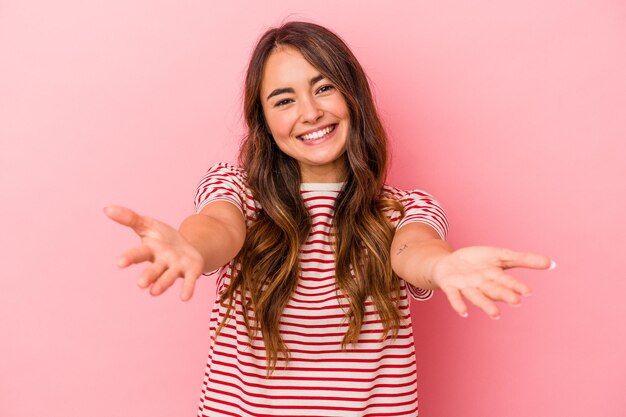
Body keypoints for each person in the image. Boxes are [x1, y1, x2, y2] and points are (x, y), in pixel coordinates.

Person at [104, 21, 554, 417]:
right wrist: (192, 248)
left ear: (352, 95)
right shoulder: (239, 190)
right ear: (263, 121)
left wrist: (440, 265)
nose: (310, 111)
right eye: (284, 100)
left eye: (323, 87)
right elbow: (218, 226)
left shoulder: (404, 208)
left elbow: (413, 249)